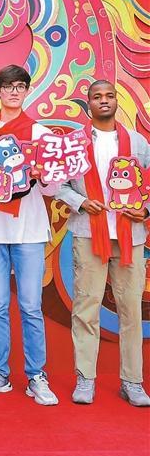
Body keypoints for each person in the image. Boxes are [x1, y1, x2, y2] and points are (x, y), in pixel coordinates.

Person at [0, 64, 59, 406]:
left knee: (31, 306)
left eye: (20, 86)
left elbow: (53, 189)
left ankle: (36, 375)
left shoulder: (41, 133)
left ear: (27, 90)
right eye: (7, 86)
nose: (13, 92)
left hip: (30, 230)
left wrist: (42, 174)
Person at [55, 80, 150, 406]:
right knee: (86, 307)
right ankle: (85, 379)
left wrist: (145, 210)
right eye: (97, 96)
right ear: (89, 103)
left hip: (130, 237)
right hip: (87, 234)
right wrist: (81, 202)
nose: (104, 101)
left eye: (109, 96)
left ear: (116, 101)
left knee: (131, 310)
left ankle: (132, 382)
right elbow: (58, 184)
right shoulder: (74, 143)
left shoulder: (137, 142)